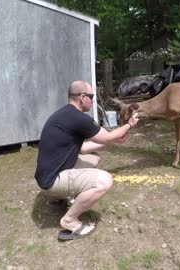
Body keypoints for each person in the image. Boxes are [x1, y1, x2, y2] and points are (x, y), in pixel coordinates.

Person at [34, 80, 139, 240]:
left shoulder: (64, 114)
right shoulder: (78, 118)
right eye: (92, 96)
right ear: (82, 97)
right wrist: (129, 125)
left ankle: (60, 198)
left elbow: (82, 148)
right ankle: (69, 220)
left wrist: (111, 141)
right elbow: (108, 135)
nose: (93, 100)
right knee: (105, 181)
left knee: (93, 160)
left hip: (46, 176)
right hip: (52, 181)